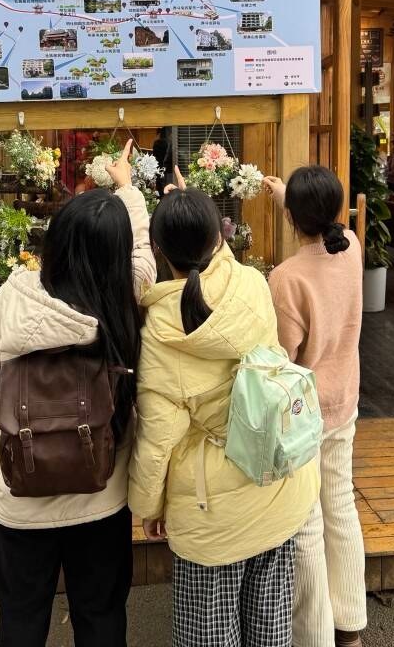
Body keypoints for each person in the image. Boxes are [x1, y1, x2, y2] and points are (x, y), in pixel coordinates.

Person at [0, 140, 155, 647]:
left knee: (22, 621)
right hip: (101, 495)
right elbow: (142, 254)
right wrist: (128, 187)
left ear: (57, 239)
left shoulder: (12, 299)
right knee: (101, 617)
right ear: (115, 253)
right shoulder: (125, 299)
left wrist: (13, 431)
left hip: (21, 498)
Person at [128, 186, 319, 647]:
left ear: (158, 250)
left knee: (209, 635)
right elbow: (219, 260)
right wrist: (194, 211)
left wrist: (147, 508)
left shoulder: (160, 331)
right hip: (277, 481)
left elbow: (157, 439)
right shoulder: (250, 283)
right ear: (220, 238)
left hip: (212, 511)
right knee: (270, 628)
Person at [263, 166, 368, 647]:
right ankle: (350, 623)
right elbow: (328, 227)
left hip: (305, 414)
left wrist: (289, 201)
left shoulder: (286, 278)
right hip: (344, 397)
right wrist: (289, 197)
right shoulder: (351, 248)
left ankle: (315, 636)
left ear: (290, 217)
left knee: (306, 523)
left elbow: (282, 357)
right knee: (340, 505)